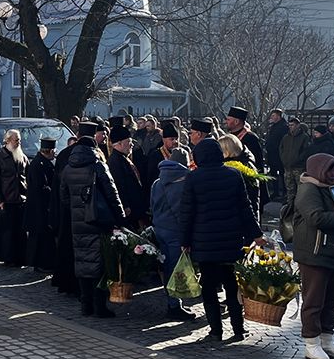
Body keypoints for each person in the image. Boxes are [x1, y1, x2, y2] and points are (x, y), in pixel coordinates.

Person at [180, 138, 264, 342]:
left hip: (204, 241)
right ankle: (238, 329)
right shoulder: (233, 174)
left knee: (208, 288)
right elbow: (245, 208)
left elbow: (186, 213)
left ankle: (215, 331)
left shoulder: (193, 178)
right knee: (231, 286)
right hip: (230, 240)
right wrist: (256, 234)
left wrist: (185, 240)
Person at [293, 153, 334, 359]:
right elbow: (315, 217)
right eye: (329, 169)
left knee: (331, 299)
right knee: (314, 300)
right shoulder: (308, 188)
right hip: (315, 253)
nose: (333, 174)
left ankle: (327, 339)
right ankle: (311, 342)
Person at [60, 122, 126, 318]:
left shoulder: (68, 166)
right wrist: (120, 217)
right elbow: (111, 191)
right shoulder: (97, 164)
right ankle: (100, 307)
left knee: (82, 262)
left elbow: (63, 196)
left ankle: (85, 306)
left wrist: (75, 208)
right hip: (98, 219)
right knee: (99, 264)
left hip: (77, 220)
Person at [149, 147, 195, 321]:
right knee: (176, 269)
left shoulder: (157, 182)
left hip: (160, 229)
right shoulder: (184, 183)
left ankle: (172, 302)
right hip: (176, 232)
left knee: (166, 267)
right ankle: (174, 305)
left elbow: (152, 207)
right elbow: (182, 214)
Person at [51, 123, 96, 295]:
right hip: (85, 211)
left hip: (67, 209)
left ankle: (64, 282)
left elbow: (59, 187)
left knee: (67, 247)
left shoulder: (64, 154)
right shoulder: (93, 156)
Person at [0, 129, 28, 266]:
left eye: (19, 140)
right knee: (8, 233)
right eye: (16, 140)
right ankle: (8, 258)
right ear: (7, 140)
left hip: (20, 199)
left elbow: (26, 176)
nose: (18, 142)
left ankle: (21, 257)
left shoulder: (22, 156)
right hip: (6, 200)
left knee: (20, 232)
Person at [24, 137, 57, 273]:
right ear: (48, 151)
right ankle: (40, 263)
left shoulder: (43, 162)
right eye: (54, 151)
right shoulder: (38, 165)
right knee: (39, 238)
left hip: (41, 207)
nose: (55, 153)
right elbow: (40, 187)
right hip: (39, 208)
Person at [106, 126, 144, 230]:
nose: (131, 144)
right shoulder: (115, 162)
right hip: (129, 211)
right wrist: (126, 206)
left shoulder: (122, 159)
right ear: (119, 144)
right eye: (128, 141)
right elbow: (119, 186)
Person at [279, 116, 310, 206]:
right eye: (289, 125)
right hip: (288, 167)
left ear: (298, 126)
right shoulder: (286, 137)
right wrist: (284, 159)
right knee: (290, 189)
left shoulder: (304, 137)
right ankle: (290, 206)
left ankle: (300, 207)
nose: (290, 127)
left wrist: (297, 160)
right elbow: (281, 149)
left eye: (292, 125)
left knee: (301, 188)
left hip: (299, 167)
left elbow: (306, 151)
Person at [265, 109, 289, 200]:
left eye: (273, 116)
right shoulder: (273, 126)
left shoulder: (283, 127)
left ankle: (284, 192)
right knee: (273, 173)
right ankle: (275, 192)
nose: (272, 118)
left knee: (282, 174)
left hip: (279, 154)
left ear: (279, 116)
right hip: (272, 154)